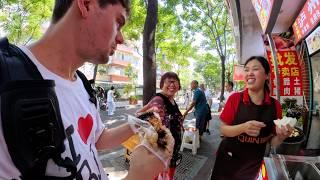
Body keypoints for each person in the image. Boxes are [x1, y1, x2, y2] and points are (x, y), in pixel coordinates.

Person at [0, 0, 173, 179]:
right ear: (86, 4)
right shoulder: (7, 78)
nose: (121, 38)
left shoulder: (82, 84)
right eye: (118, 22)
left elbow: (97, 139)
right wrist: (138, 176)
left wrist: (136, 123)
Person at [211, 56, 293, 180]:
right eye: (247, 70)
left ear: (266, 75)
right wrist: (243, 127)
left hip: (252, 163)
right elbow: (223, 129)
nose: (249, 73)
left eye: (255, 69)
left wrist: (281, 136)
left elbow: (272, 141)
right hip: (228, 158)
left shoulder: (275, 105)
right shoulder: (235, 99)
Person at [136, 72, 183, 180]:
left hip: (171, 149)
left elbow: (139, 112)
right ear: (162, 84)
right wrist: (165, 156)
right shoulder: (159, 100)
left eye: (174, 81)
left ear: (178, 85)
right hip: (163, 151)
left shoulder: (171, 100)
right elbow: (159, 128)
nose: (172, 84)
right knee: (159, 176)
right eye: (168, 81)